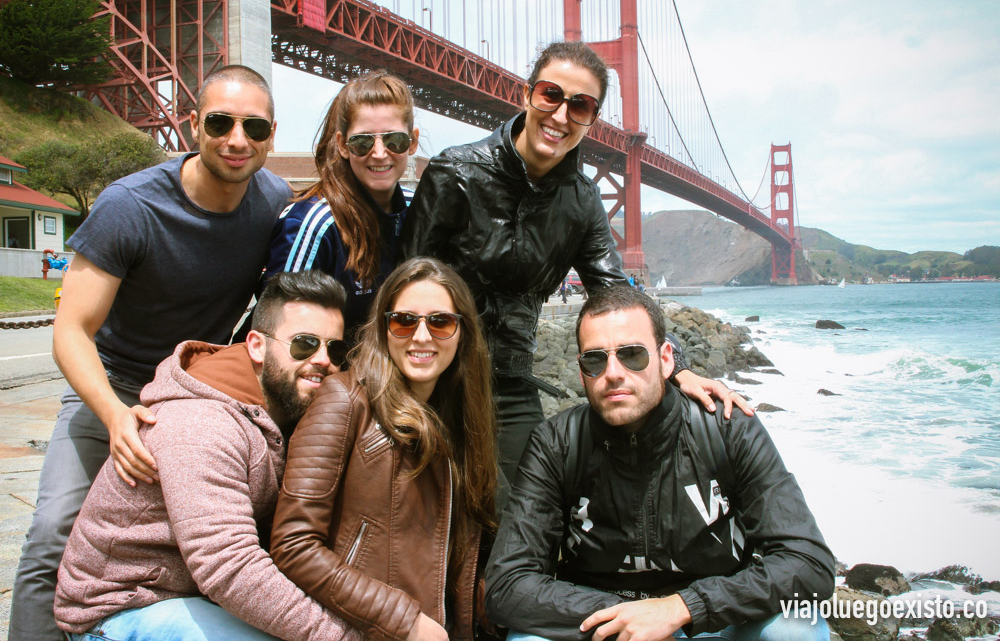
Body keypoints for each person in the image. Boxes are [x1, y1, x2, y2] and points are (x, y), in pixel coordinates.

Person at [10, 65, 292, 640]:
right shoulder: (128, 206)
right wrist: (114, 416)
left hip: (196, 394)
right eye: (220, 122)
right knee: (53, 532)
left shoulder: (273, 198)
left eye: (254, 128)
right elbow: (70, 330)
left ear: (271, 135)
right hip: (114, 383)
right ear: (194, 125)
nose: (237, 140)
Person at [402, 41, 749, 485]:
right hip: (435, 377)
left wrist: (675, 367)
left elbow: (613, 294)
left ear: (592, 119)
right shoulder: (456, 173)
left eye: (580, 105)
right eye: (551, 95)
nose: (561, 116)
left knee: (529, 514)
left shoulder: (583, 202)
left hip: (509, 384)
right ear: (527, 94)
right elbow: (405, 285)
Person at [486, 284, 835, 641]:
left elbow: (808, 563)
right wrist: (630, 619)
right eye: (594, 359)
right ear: (581, 373)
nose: (614, 372)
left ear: (666, 359)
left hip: (715, 618)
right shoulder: (556, 444)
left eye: (632, 355)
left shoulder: (727, 427)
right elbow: (507, 585)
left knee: (795, 630)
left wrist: (681, 609)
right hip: (603, 622)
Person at [54, 271, 356, 640]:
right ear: (256, 346)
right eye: (304, 344)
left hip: (198, 595)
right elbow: (230, 566)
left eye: (335, 349)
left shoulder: (291, 409)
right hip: (121, 607)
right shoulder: (200, 424)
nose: (323, 360)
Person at [269, 257, 497, 641]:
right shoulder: (343, 400)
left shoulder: (464, 419)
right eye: (404, 321)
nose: (421, 337)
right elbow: (293, 545)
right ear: (384, 328)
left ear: (462, 332)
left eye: (440, 322)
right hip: (367, 631)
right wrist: (401, 621)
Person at [257, 70, 418, 345]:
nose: (379, 153)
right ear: (343, 145)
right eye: (362, 142)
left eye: (394, 141)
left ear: (412, 142)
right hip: (326, 377)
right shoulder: (314, 223)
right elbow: (280, 337)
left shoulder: (418, 207)